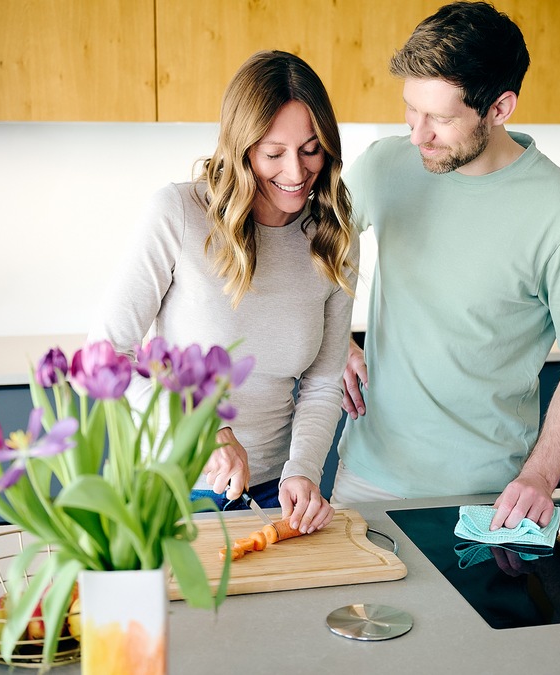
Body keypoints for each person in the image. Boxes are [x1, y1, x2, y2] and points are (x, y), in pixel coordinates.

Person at [334, 2, 560, 531]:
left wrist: (540, 477)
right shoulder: (385, 165)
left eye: (440, 117)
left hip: (490, 498)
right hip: (366, 477)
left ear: (500, 108)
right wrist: (335, 337)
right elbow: (313, 251)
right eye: (411, 110)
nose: (418, 134)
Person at [91, 50, 357, 534]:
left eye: (311, 149)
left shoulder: (333, 236)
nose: (296, 173)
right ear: (240, 148)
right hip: (173, 488)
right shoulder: (179, 213)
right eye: (273, 153)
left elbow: (322, 381)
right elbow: (104, 355)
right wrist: (203, 431)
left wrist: (302, 471)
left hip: (276, 492)